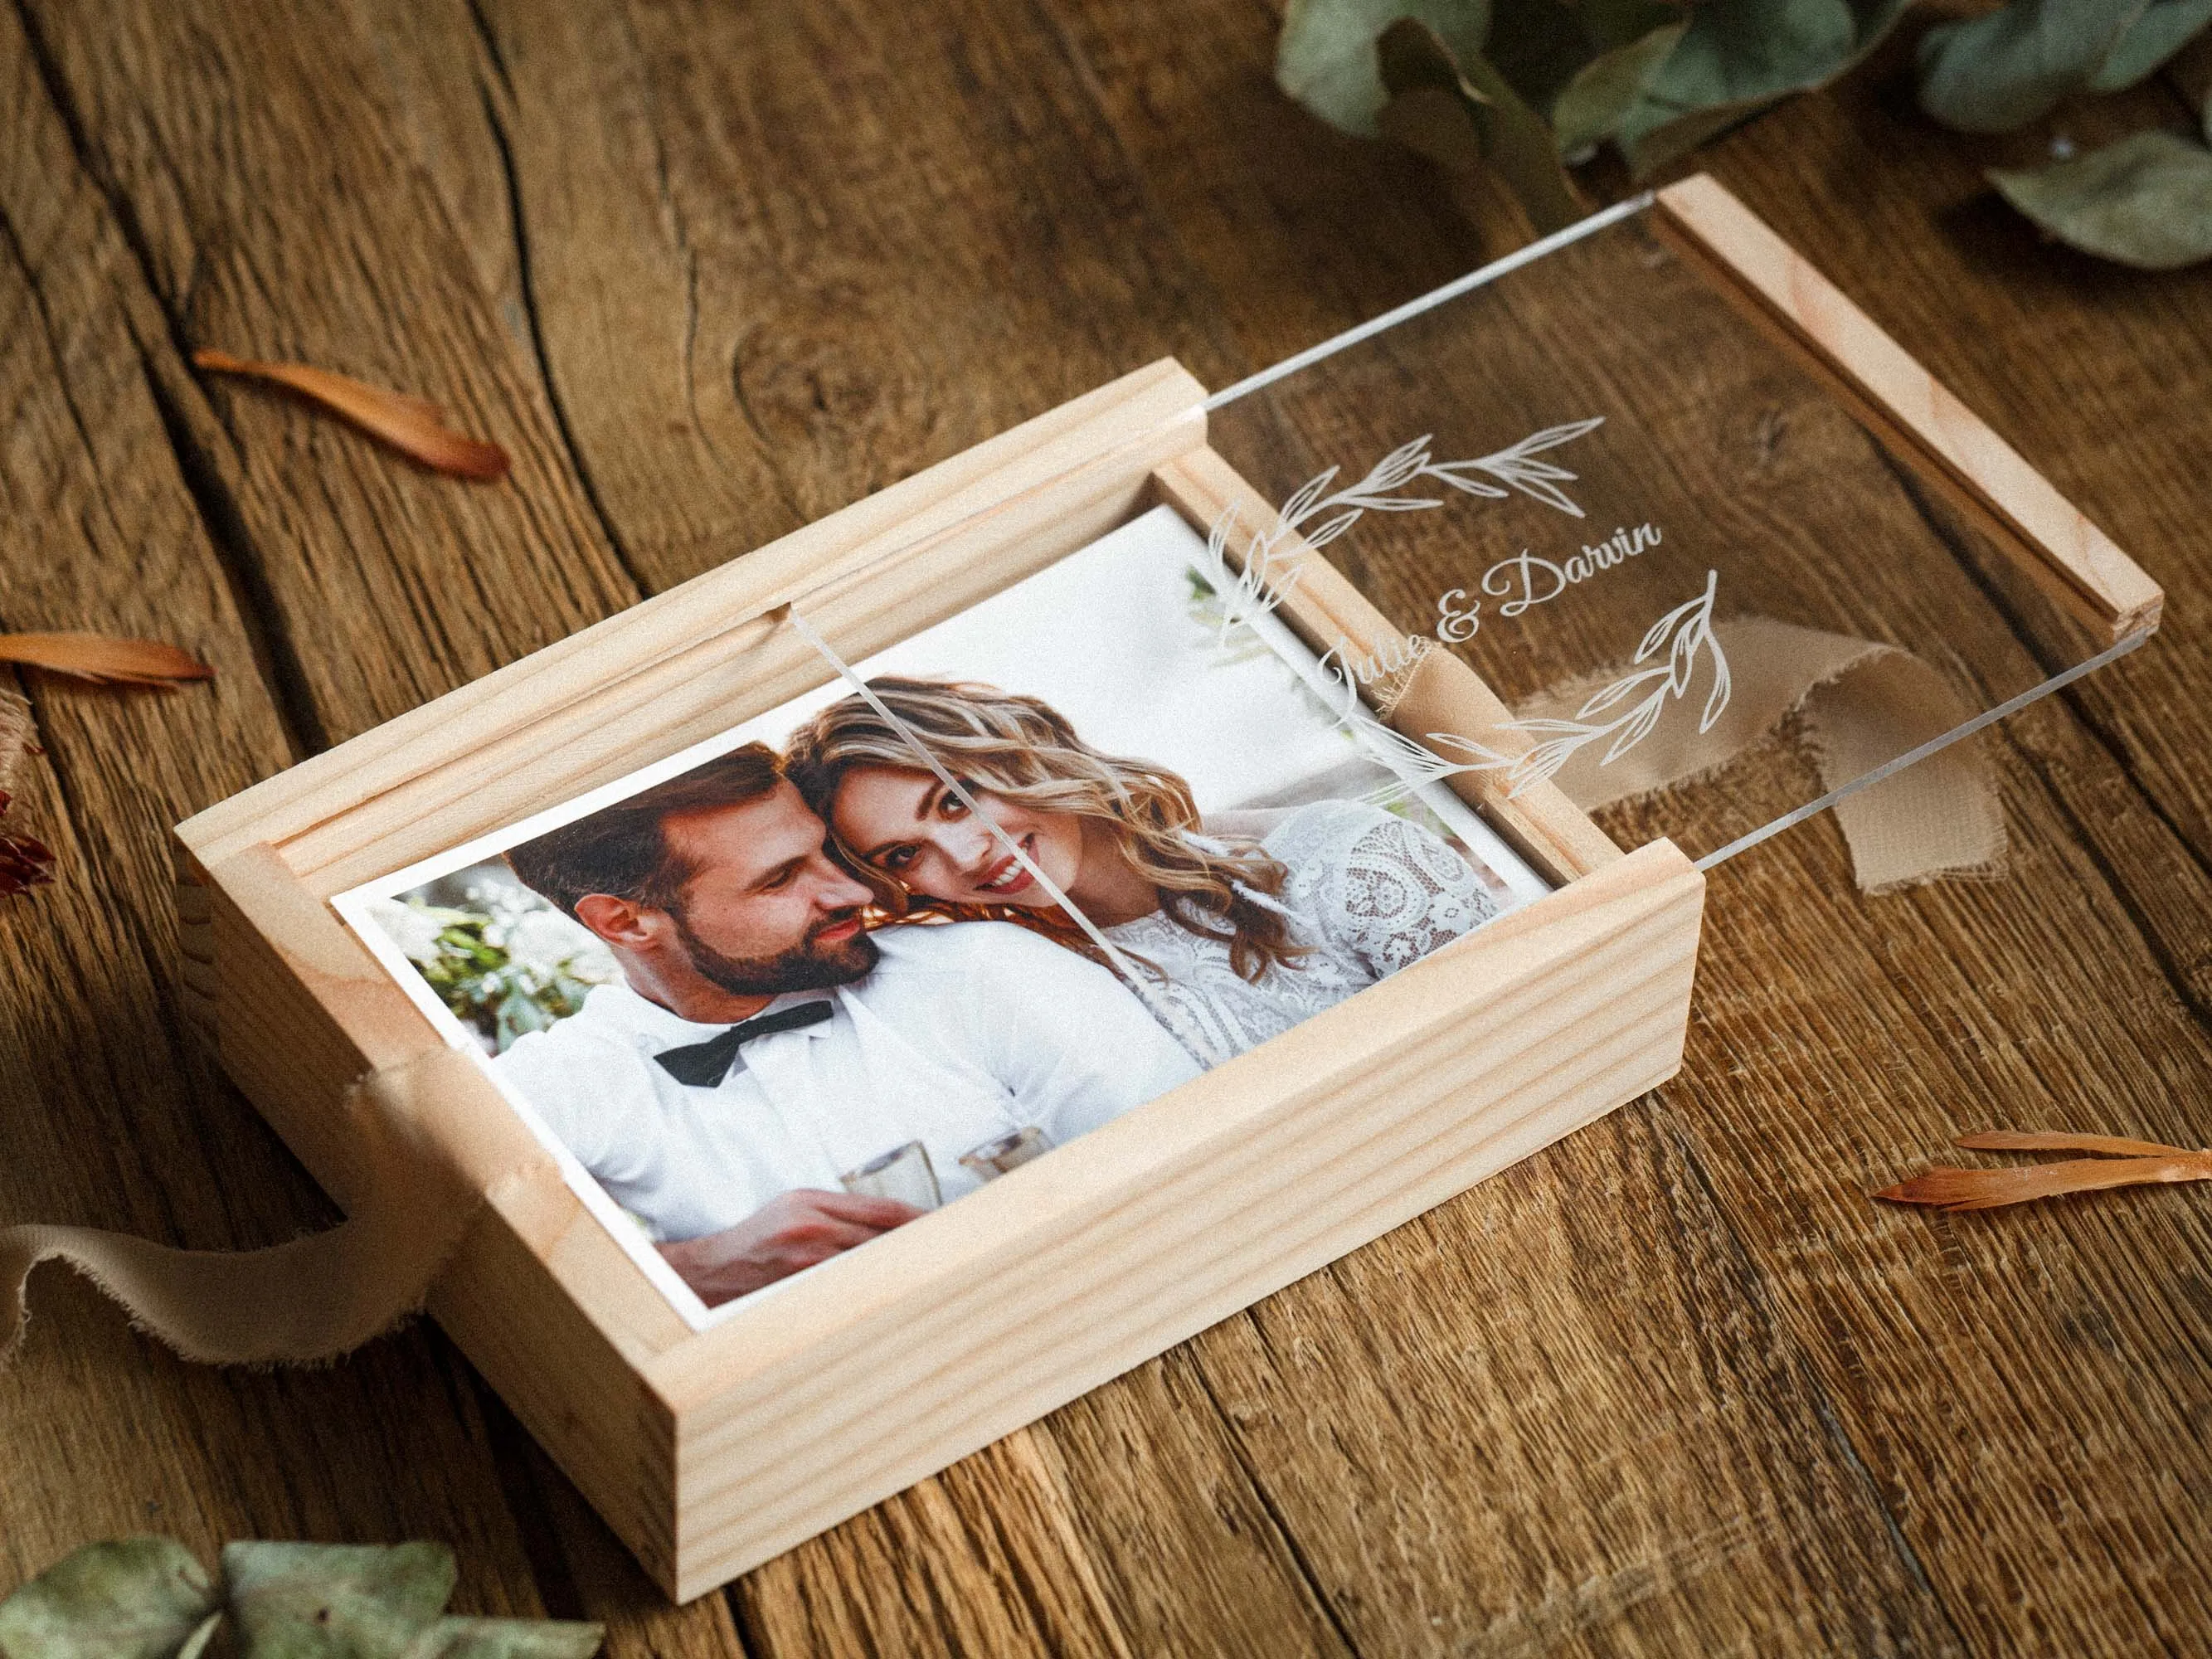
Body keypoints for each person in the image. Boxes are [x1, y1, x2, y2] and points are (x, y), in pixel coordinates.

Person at [492, 742, 1199, 1306]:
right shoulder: (553, 1082)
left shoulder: (982, 972)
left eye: (823, 850)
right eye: (779, 879)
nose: (854, 891)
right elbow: (462, 1295)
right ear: (624, 921)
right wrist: (690, 1271)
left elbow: (1191, 1162)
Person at [784, 677, 1503, 1069]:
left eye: (956, 798)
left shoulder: (1347, 860)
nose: (967, 855)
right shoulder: (1022, 988)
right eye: (905, 856)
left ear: (1021, 751)